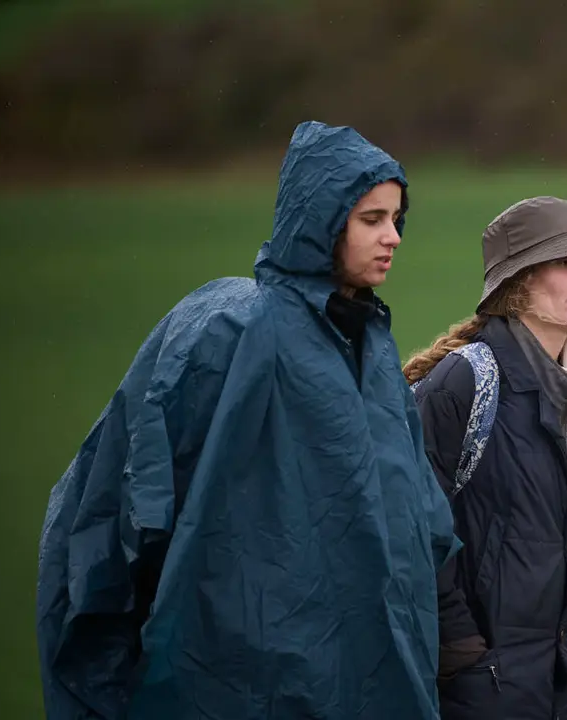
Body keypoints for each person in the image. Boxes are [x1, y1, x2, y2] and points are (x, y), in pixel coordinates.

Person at [35, 121, 459, 720]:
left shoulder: (371, 349)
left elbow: (420, 521)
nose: (392, 237)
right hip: (247, 674)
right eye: (372, 219)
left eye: (396, 220)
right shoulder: (230, 333)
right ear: (322, 220)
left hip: (371, 675)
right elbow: (125, 507)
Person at [403, 196, 567, 720]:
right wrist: (458, 646)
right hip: (482, 686)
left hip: (562, 683)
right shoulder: (464, 381)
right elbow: (411, 524)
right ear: (518, 282)